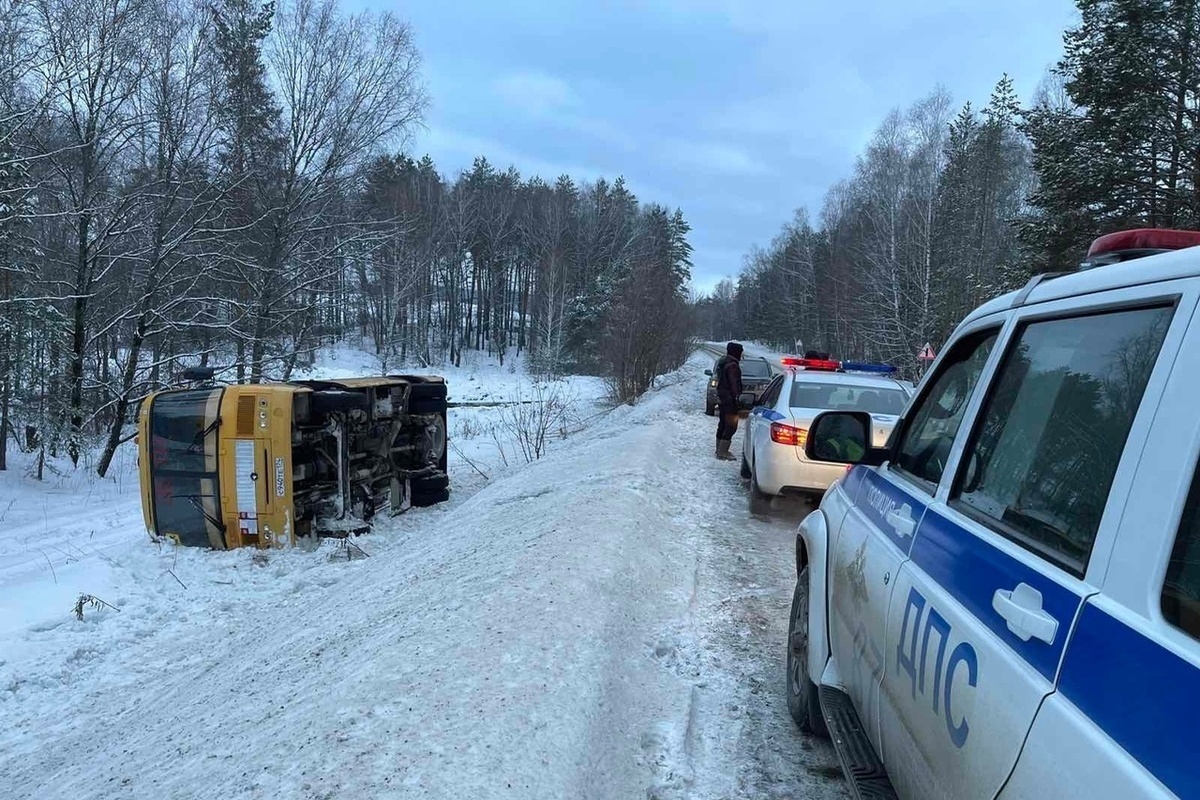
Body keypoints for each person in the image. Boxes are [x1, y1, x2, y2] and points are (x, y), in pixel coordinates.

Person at [713, 341, 744, 460]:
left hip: (722, 398)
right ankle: (723, 451)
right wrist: (738, 397)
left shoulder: (724, 362)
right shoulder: (733, 366)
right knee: (731, 425)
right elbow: (734, 384)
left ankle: (719, 448)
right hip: (730, 400)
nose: (741, 355)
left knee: (723, 423)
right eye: (741, 353)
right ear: (737, 353)